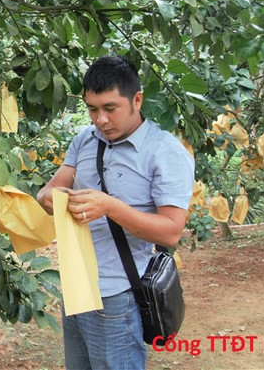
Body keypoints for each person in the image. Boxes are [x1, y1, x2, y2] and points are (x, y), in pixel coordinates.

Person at [35, 56, 194, 369]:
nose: (100, 120)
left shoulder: (165, 151)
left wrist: (110, 207)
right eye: (92, 109)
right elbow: (50, 189)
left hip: (118, 294)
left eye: (110, 108)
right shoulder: (84, 140)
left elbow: (171, 231)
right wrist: (48, 197)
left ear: (137, 100)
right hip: (76, 285)